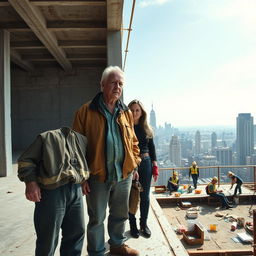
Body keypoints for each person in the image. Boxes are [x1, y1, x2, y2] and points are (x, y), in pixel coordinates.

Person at [72, 66, 141, 256]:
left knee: (120, 214)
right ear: (102, 84)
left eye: (120, 84)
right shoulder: (85, 112)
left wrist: (133, 163)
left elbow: (133, 141)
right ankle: (96, 252)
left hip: (123, 175)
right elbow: (75, 148)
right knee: (97, 218)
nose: (117, 87)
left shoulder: (125, 112)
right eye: (113, 82)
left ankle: (117, 246)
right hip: (97, 176)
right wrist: (82, 177)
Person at [17, 127, 89, 256]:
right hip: (52, 192)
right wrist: (31, 182)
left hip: (76, 190)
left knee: (76, 232)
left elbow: (83, 162)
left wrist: (83, 179)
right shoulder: (46, 137)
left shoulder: (82, 139)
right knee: (48, 238)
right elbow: (26, 160)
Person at [128, 100, 159, 239]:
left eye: (137, 110)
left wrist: (155, 165)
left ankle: (143, 225)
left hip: (145, 163)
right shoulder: (125, 127)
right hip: (130, 164)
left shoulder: (146, 128)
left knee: (145, 196)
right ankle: (133, 225)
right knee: (132, 196)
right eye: (132, 110)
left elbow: (152, 148)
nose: (135, 113)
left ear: (142, 112)